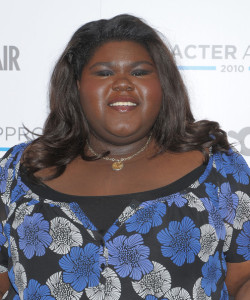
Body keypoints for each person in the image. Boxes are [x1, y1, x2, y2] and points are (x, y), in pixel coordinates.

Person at [0, 14, 249, 300]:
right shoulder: (18, 170)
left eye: (140, 72)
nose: (122, 84)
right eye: (104, 72)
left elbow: (243, 280)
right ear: (77, 85)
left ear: (163, 85)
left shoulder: (219, 169)